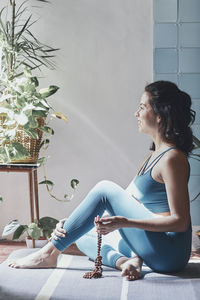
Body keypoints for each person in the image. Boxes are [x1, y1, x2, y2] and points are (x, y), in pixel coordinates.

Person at [8, 81, 196, 281]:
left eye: (142, 107)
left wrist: (125, 222)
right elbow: (126, 199)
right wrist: (73, 224)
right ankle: (126, 261)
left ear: (160, 115)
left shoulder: (172, 158)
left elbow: (180, 222)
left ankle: (48, 254)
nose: (136, 113)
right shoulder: (154, 154)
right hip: (152, 242)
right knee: (82, 236)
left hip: (169, 253)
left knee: (105, 188)